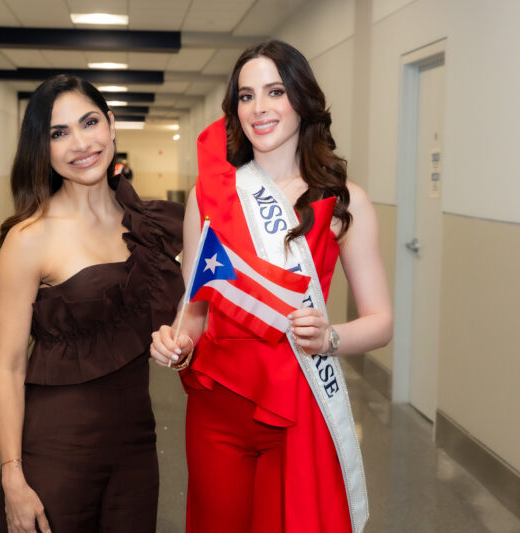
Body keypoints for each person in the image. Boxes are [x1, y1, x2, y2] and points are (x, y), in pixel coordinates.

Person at [150, 40, 393, 533]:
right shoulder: (211, 195)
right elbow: (196, 304)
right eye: (245, 96)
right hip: (218, 405)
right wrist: (177, 343)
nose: (258, 108)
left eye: (274, 91)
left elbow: (381, 322)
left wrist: (330, 337)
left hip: (299, 404)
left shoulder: (344, 203)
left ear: (301, 101)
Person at [0, 74, 184, 533]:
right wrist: (13, 475)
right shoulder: (28, 238)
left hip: (135, 450)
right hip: (55, 453)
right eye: (59, 133)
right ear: (44, 147)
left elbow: (177, 319)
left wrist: (178, 348)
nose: (80, 143)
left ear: (111, 125)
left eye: (89, 122)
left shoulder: (148, 228)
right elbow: (8, 368)